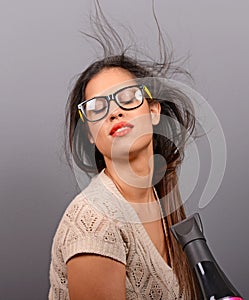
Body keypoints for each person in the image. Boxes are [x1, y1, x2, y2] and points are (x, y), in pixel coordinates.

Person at [49, 2, 202, 299]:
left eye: (128, 97)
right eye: (97, 108)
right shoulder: (93, 222)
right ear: (90, 133)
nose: (114, 112)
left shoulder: (161, 197)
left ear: (154, 111)